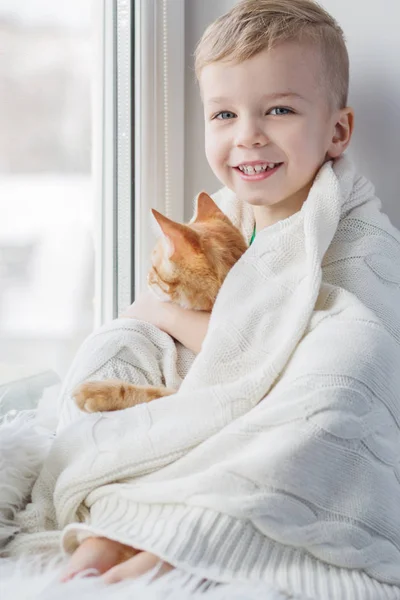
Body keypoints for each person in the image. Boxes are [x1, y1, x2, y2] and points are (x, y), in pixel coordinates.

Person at [12, 1, 400, 597]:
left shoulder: (360, 238)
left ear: (337, 130)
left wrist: (161, 312)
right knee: (119, 339)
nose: (248, 134)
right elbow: (216, 339)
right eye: (224, 113)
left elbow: (316, 352)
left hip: (284, 421)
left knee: (351, 353)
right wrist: (147, 325)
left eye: (279, 109)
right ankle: (123, 519)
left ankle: (201, 529)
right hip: (212, 410)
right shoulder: (224, 216)